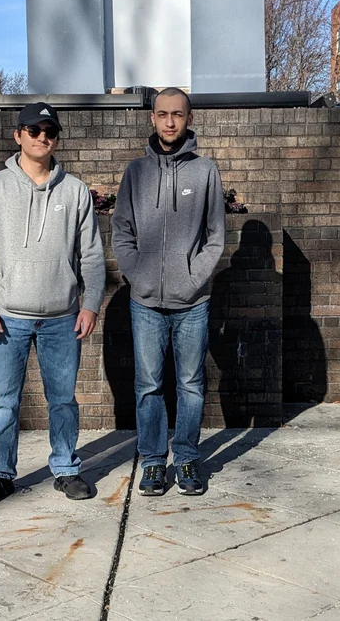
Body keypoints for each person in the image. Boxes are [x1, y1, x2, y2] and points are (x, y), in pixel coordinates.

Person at [0, 102, 106, 505]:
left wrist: (90, 303)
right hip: (7, 317)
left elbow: (91, 254)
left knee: (62, 400)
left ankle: (65, 468)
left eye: (50, 130)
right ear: (18, 135)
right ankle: (0, 473)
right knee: (3, 403)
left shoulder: (74, 191)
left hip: (63, 318)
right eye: (34, 129)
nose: (43, 136)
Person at [112, 87, 225, 497]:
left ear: (188, 118)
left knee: (192, 384)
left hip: (193, 302)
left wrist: (194, 277)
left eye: (178, 114)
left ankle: (189, 459)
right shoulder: (136, 172)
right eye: (163, 114)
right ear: (153, 119)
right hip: (145, 302)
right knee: (149, 386)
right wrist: (138, 276)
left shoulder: (205, 171)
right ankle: (155, 463)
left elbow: (216, 236)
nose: (170, 121)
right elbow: (121, 232)